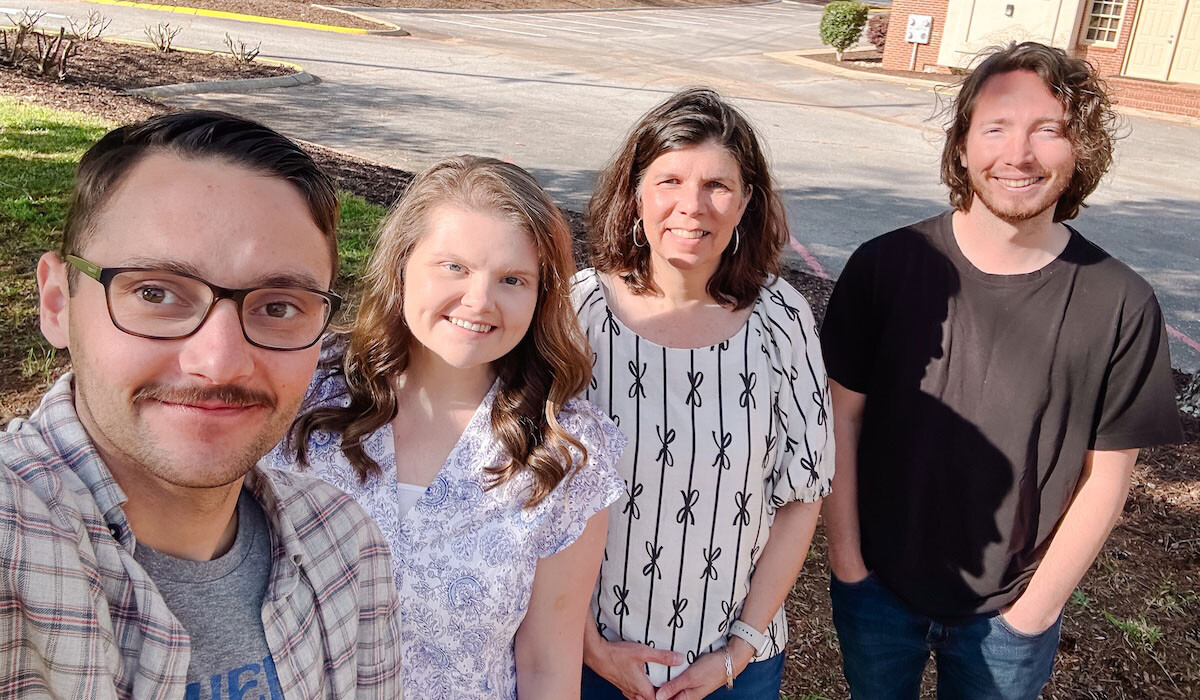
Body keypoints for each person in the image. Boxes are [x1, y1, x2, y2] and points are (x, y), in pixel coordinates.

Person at [820, 42, 1185, 699]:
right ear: (962, 146)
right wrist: (848, 563)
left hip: (1012, 617)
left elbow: (1107, 477)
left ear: (1079, 151)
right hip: (877, 592)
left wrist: (1034, 612)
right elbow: (840, 418)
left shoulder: (1121, 303)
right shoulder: (884, 268)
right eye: (995, 128)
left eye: (1048, 129)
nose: (1018, 154)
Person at [0, 111, 403, 698]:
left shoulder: (345, 546)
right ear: (58, 302)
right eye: (156, 293)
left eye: (279, 307)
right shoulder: (15, 536)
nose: (219, 362)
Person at [265, 155, 626, 700]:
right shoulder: (301, 390)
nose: (479, 301)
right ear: (402, 264)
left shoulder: (565, 449)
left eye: (512, 279)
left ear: (539, 297)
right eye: (453, 267)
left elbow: (547, 664)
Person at [574, 87, 834, 700]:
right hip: (587, 657)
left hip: (736, 668)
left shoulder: (783, 320)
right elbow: (531, 491)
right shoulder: (576, 311)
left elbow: (802, 496)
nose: (691, 206)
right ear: (635, 194)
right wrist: (588, 645)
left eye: (717, 185)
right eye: (670, 180)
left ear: (745, 202)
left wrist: (739, 649)